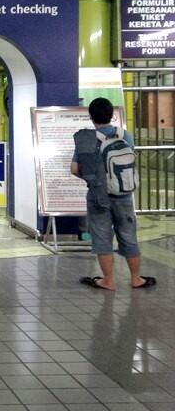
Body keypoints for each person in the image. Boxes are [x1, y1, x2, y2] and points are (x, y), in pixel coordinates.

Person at [72, 97, 155, 291]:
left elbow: (74, 169)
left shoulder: (87, 139)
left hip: (98, 197)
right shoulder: (125, 135)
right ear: (112, 115)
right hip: (124, 195)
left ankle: (108, 280)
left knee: (102, 237)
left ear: (91, 116)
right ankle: (136, 279)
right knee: (128, 234)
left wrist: (92, 180)